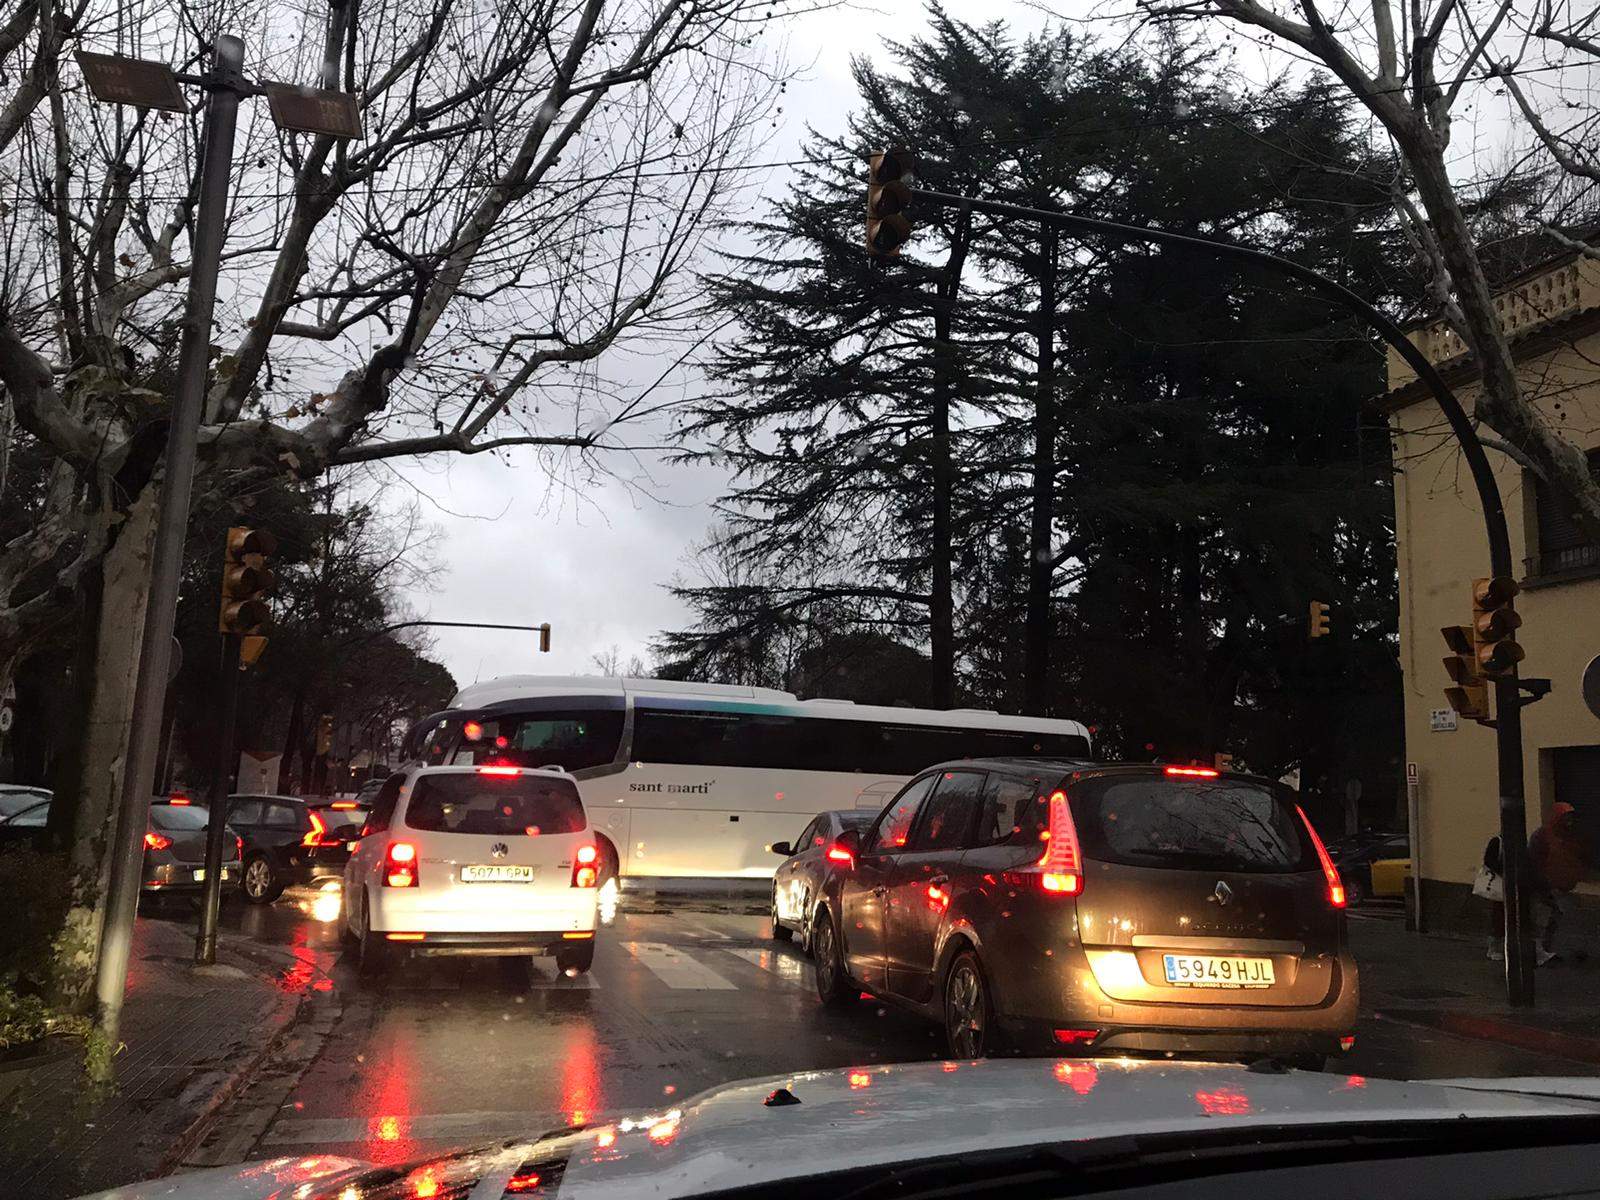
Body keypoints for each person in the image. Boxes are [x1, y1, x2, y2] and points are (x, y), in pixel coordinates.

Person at [1528, 802, 1589, 965]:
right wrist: (1543, 884)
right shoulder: (1542, 836)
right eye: (1566, 817)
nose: (1569, 821)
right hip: (1546, 886)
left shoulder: (1570, 836)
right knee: (1543, 919)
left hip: (1563, 885)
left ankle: (1546, 950)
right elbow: (1534, 862)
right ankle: (1539, 952)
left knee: (1555, 919)